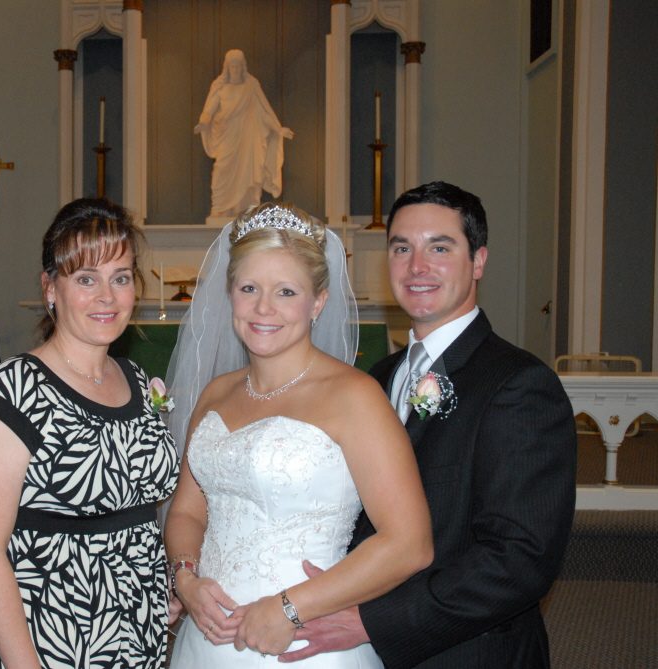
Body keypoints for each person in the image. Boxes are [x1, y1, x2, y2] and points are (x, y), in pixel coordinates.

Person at [279, 181, 577, 668]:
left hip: (466, 652)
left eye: (440, 248)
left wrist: (372, 622)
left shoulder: (519, 385)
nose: (417, 266)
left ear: (478, 261)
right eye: (402, 248)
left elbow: (520, 559)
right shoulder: (375, 379)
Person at [163, 202, 433, 666]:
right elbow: (187, 511)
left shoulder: (354, 397)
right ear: (230, 293)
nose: (263, 308)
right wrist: (186, 578)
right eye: (249, 288)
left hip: (303, 639)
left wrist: (289, 607)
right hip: (206, 638)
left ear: (318, 302)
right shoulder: (215, 394)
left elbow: (410, 544)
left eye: (286, 291)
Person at [0, 198, 180, 668]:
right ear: (51, 288)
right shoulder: (16, 391)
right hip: (52, 642)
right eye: (86, 279)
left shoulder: (137, 381)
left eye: (120, 278)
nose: (107, 297)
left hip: (138, 640)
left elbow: (138, 515)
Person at [196, 49, 294, 218]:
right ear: (227, 68)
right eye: (232, 66)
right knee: (221, 171)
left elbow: (263, 113)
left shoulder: (251, 87)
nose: (235, 69)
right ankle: (221, 208)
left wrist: (278, 129)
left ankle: (245, 210)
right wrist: (203, 123)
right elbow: (209, 110)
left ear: (243, 67)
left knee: (248, 174)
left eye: (238, 66)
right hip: (227, 139)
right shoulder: (220, 87)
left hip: (248, 143)